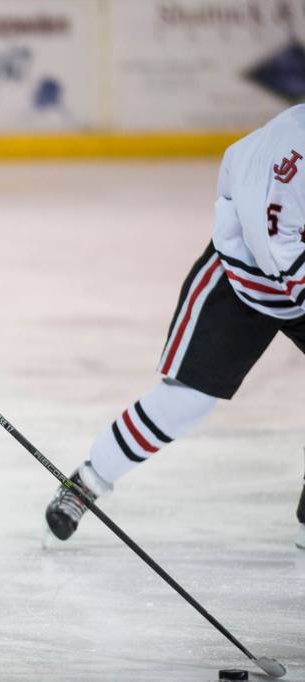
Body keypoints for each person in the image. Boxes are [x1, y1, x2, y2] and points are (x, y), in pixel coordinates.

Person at [45, 105, 305, 547]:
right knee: (187, 399)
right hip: (240, 272)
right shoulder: (292, 157)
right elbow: (275, 244)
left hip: (286, 268)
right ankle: (88, 481)